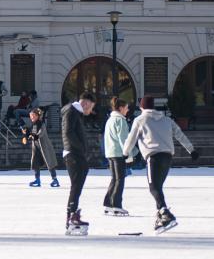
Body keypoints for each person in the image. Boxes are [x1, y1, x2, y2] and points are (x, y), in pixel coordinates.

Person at [122, 96, 196, 232]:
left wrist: (125, 153)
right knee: (158, 188)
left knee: (153, 187)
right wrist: (191, 150)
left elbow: (131, 137)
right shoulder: (166, 119)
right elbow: (179, 134)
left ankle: (165, 213)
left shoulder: (140, 120)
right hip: (167, 157)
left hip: (153, 156)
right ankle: (160, 216)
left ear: (141, 107)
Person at [61, 92, 96, 234]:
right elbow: (68, 132)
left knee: (77, 185)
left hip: (76, 153)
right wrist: (81, 149)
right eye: (91, 106)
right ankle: (71, 216)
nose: (91, 110)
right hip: (73, 154)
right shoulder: (71, 111)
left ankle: (73, 214)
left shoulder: (74, 112)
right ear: (85, 103)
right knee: (76, 186)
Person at [101, 97, 132, 213]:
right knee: (120, 179)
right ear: (121, 108)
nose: (127, 110)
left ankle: (108, 203)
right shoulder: (120, 120)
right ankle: (116, 205)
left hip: (110, 152)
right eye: (126, 108)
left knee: (115, 179)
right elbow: (124, 139)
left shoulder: (110, 120)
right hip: (119, 153)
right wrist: (128, 154)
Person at [22, 107, 60, 187]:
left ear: (38, 116)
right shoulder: (33, 125)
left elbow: (40, 134)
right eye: (31, 116)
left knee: (49, 163)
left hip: (44, 147)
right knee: (35, 163)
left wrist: (32, 136)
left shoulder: (41, 124)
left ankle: (55, 179)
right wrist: (26, 134)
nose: (32, 117)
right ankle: (37, 180)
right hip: (36, 147)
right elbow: (32, 134)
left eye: (33, 115)